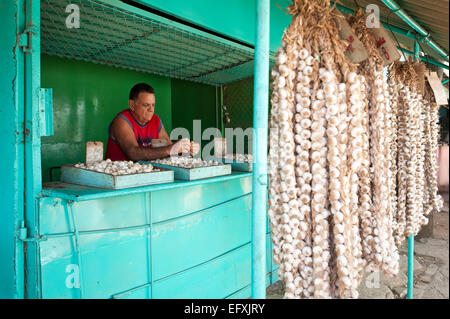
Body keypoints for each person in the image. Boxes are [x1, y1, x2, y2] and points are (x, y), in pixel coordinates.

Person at [106, 83, 199, 161]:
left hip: (145, 175)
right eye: (146, 105)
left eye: (153, 105)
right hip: (115, 178)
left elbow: (170, 148)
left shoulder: (155, 120)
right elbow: (133, 153)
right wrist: (170, 149)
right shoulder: (121, 121)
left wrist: (186, 149)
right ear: (132, 105)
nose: (151, 109)